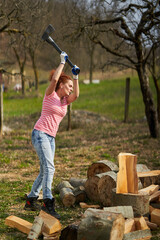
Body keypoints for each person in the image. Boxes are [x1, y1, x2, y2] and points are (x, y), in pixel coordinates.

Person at [24, 52, 80, 219]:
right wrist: (62, 63)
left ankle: (31, 199)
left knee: (44, 170)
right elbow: (54, 80)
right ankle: (48, 202)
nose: (70, 89)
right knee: (50, 168)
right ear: (61, 84)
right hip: (40, 133)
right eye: (69, 85)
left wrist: (75, 78)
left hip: (50, 138)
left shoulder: (64, 102)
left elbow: (76, 95)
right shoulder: (51, 94)